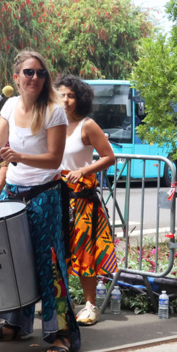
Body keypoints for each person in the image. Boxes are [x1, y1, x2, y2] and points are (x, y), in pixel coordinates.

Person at [0, 50, 81, 352]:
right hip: (13, 193)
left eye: (41, 73)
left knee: (50, 264)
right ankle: (14, 324)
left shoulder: (54, 111)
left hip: (45, 194)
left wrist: (18, 157)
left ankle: (62, 333)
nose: (35, 78)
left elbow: (54, 159)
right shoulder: (8, 104)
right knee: (12, 261)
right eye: (29, 73)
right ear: (15, 78)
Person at [54, 75, 117, 326]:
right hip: (55, 194)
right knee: (56, 252)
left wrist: (85, 170)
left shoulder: (87, 125)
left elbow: (109, 157)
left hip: (80, 199)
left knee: (84, 251)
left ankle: (90, 305)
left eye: (71, 95)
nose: (66, 100)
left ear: (80, 99)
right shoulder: (51, 124)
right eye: (61, 95)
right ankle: (63, 302)